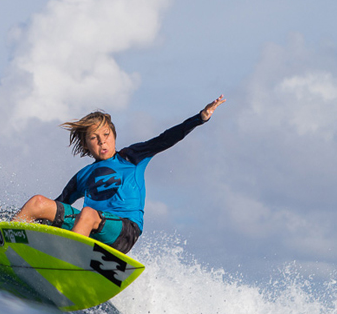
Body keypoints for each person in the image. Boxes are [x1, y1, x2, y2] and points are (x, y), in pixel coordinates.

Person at [13, 96, 225, 254]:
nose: (102, 141)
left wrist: (199, 118)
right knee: (38, 203)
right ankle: (6, 241)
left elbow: (165, 138)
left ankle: (66, 259)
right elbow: (59, 206)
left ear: (114, 136)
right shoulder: (83, 176)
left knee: (87, 213)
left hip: (124, 230)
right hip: (89, 228)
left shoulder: (131, 157)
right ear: (87, 146)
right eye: (94, 138)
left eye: (106, 135)